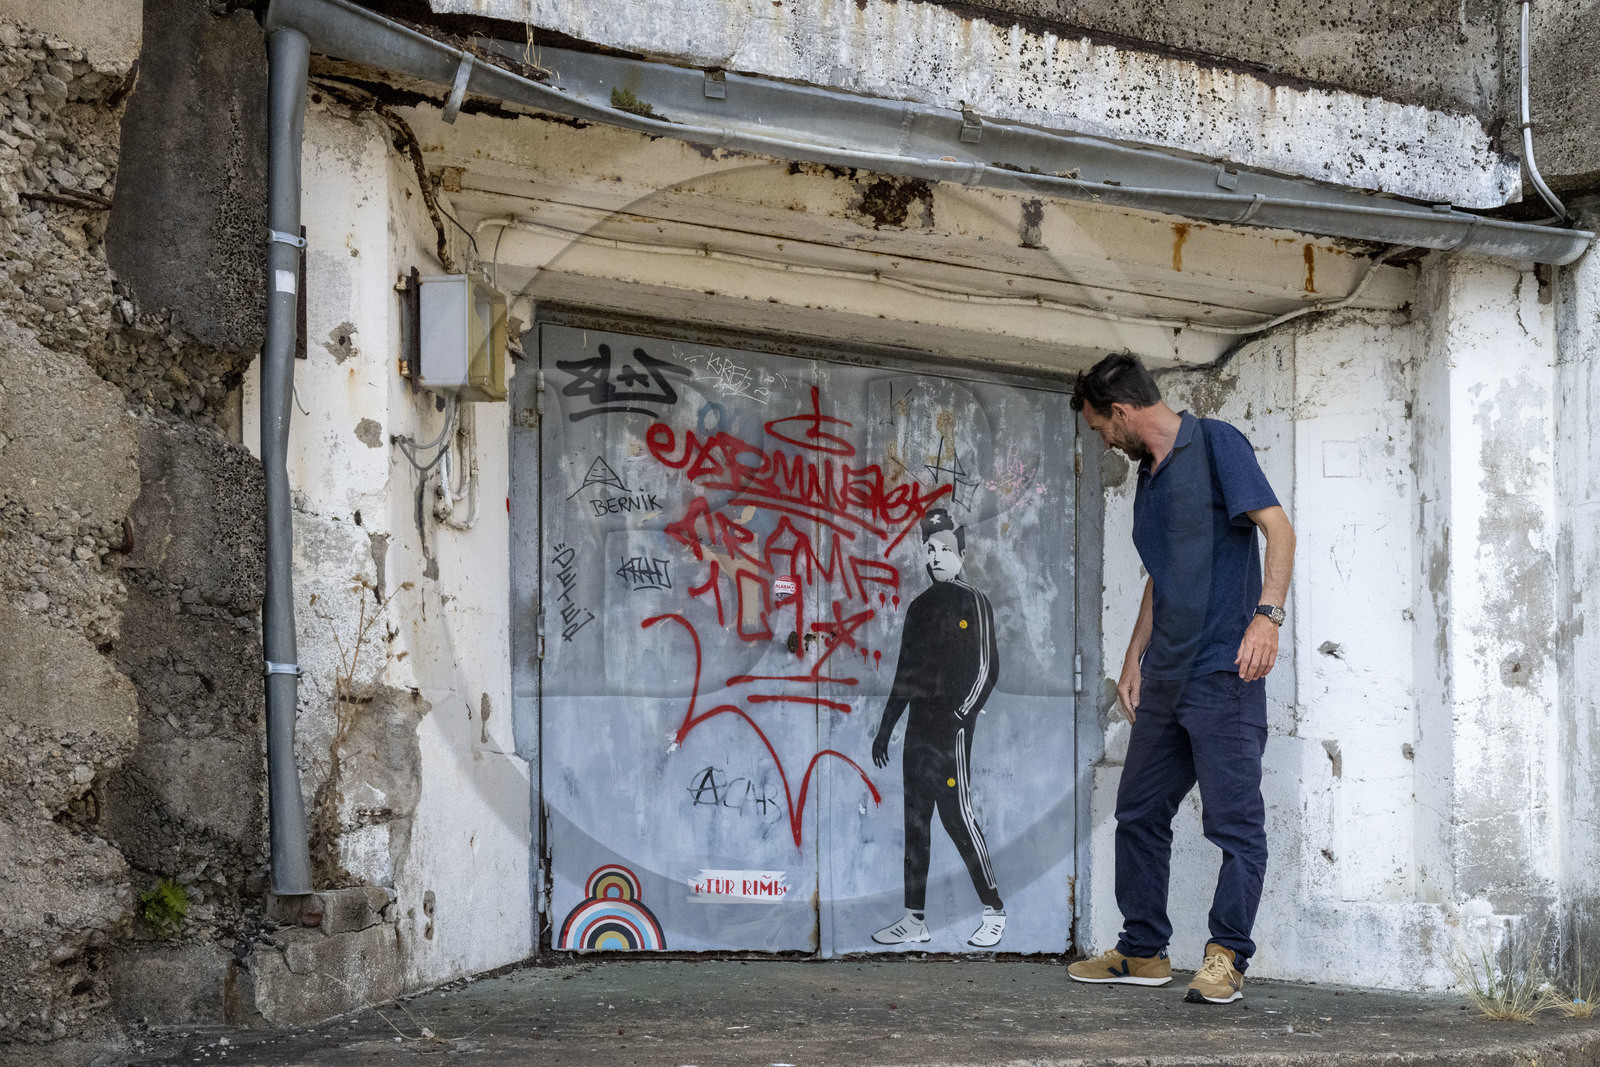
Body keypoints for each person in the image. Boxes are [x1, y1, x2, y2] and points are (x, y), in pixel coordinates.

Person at [1065, 353, 1294, 1005]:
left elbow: (1278, 528)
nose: (1103, 440)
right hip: (1167, 679)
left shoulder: (1216, 443)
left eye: (1100, 427)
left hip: (1226, 673)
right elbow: (1162, 575)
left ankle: (1227, 957)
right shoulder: (1154, 479)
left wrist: (1267, 617)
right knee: (1137, 809)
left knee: (1234, 822)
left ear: (1123, 412)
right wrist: (1135, 657)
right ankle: (1142, 951)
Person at [869, 508, 1006, 949]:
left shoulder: (974, 600)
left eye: (945, 549)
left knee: (958, 817)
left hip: (951, 730)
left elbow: (988, 668)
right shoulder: (919, 608)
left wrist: (961, 715)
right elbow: (904, 676)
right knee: (916, 823)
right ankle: (914, 919)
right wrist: (886, 729)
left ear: (961, 553)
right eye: (929, 550)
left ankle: (994, 910)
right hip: (917, 732)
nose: (936, 557)